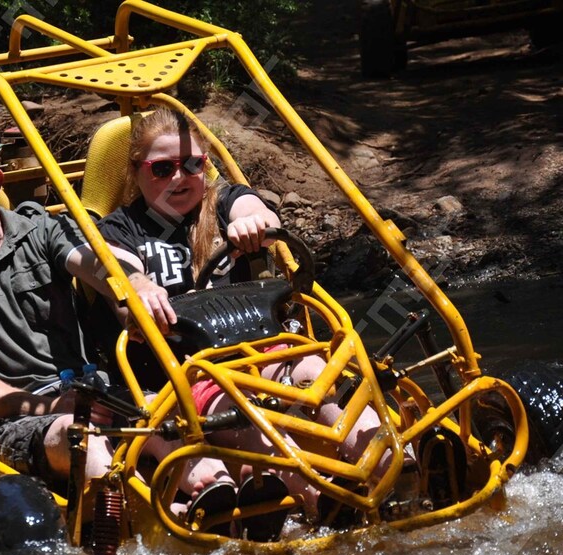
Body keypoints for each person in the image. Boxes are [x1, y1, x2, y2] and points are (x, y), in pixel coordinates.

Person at [0, 125, 232, 510]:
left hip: (91, 389)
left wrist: (132, 282)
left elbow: (92, 263)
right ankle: (151, 517)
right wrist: (50, 407)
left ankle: (226, 497)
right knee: (78, 435)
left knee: (162, 414)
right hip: (11, 418)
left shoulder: (40, 230)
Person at [95, 109, 411, 529]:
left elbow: (255, 209)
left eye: (193, 165)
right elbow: (117, 266)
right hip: (192, 372)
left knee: (317, 372)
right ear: (136, 172)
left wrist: (253, 221)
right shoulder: (122, 228)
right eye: (163, 168)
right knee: (243, 407)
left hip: (265, 349)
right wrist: (138, 283)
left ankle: (393, 464)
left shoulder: (222, 202)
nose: (180, 177)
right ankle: (318, 498)